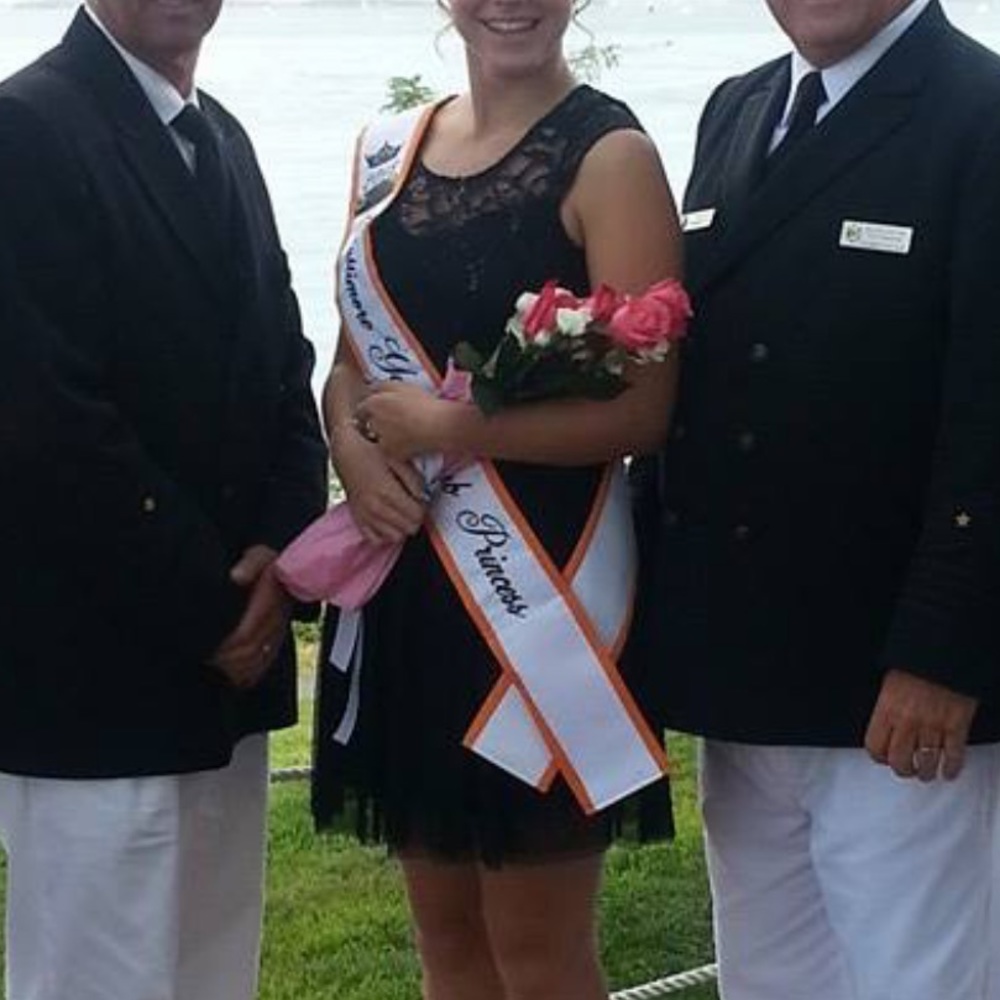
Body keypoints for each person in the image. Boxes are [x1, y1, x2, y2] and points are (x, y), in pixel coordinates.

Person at [629, 1, 1000, 997]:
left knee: (915, 982)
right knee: (768, 980)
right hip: (742, 671)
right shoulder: (737, 109)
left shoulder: (981, 112)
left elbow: (989, 418)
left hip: (895, 685)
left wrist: (940, 651)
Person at [313, 1, 682, 997]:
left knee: (538, 954)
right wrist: (350, 446)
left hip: (544, 596)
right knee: (448, 947)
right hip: (413, 588)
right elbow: (350, 367)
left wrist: (462, 432)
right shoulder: (391, 152)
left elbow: (646, 411)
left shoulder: (611, 157)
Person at [0, 1, 327, 997]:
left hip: (224, 662)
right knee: (98, 974)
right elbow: (43, 417)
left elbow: (284, 360)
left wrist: (285, 548)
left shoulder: (219, 135)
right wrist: (214, 605)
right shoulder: (25, 128)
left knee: (209, 971)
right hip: (95, 668)